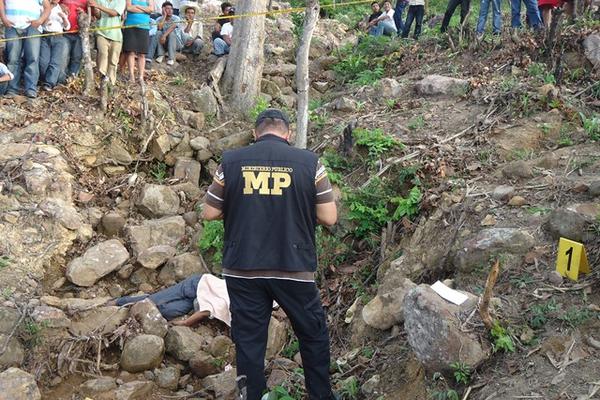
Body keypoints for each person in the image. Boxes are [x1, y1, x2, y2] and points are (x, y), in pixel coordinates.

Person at [202, 108, 338, 400]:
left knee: (249, 342)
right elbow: (329, 217)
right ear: (288, 134)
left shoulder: (231, 161)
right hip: (294, 266)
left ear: (255, 133)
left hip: (243, 268)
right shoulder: (310, 163)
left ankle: (253, 396)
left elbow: (210, 212)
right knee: (312, 335)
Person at [111, 274, 232, 326]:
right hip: (198, 284)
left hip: (199, 301)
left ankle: (132, 306)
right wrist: (186, 323)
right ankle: (119, 302)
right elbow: (205, 311)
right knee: (154, 301)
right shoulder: (231, 303)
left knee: (166, 312)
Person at [0, 0, 51, 98]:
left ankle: (31, 89)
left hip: (32, 26)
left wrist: (40, 20)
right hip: (12, 26)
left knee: (33, 58)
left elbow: (47, 7)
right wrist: (3, 18)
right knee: (13, 58)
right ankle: (12, 89)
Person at [90, 0, 127, 85]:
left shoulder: (121, 1)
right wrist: (94, 8)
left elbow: (114, 13)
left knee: (113, 61)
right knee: (102, 54)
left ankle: (110, 83)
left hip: (116, 35)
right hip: (101, 32)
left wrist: (98, 6)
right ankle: (102, 79)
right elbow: (98, 16)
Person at [39, 0, 70, 92]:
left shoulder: (62, 8)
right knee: (43, 62)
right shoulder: (42, 6)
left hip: (58, 36)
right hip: (45, 35)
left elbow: (67, 27)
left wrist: (64, 18)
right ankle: (42, 79)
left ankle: (49, 83)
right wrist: (45, 20)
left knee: (55, 62)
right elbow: (39, 22)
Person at [123, 0, 154, 82]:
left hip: (144, 27)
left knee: (142, 54)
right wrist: (144, 10)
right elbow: (129, 8)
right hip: (130, 26)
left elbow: (151, 9)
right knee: (131, 52)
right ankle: (131, 76)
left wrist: (137, 6)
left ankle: (140, 76)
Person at [61, 0, 88, 79]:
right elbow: (54, 5)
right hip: (64, 31)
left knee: (76, 57)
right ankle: (61, 79)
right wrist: (61, 7)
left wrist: (83, 12)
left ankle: (71, 78)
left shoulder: (86, 1)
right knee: (63, 56)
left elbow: (91, 15)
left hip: (79, 32)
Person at [153, 1, 183, 66]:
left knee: (171, 33)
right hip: (164, 42)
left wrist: (164, 35)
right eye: (167, 9)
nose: (170, 10)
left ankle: (171, 58)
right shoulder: (159, 19)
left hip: (176, 42)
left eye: (171, 9)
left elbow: (173, 27)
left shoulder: (176, 18)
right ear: (163, 10)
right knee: (158, 33)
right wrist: (164, 16)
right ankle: (160, 54)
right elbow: (159, 28)